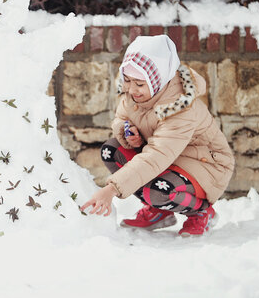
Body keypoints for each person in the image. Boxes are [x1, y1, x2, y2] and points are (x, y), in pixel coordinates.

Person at [82, 35, 234, 236]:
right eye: (127, 80)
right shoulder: (134, 96)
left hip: (205, 165)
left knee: (157, 190)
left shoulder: (180, 108)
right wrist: (128, 132)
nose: (131, 89)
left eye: (139, 83)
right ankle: (159, 211)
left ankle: (202, 212)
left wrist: (111, 189)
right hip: (170, 160)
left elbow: (156, 156)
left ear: (158, 79)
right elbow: (121, 118)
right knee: (112, 151)